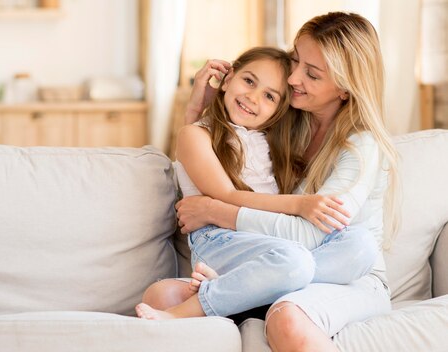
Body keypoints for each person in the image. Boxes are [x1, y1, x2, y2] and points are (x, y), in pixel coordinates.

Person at [142, 12, 398, 352]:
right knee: (161, 295)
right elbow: (207, 160)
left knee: (360, 245)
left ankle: (243, 287)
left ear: (346, 90)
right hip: (277, 258)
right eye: (295, 60)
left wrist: (215, 210)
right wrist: (195, 113)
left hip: (347, 275)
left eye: (312, 73)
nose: (292, 78)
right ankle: (247, 285)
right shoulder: (288, 124)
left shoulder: (360, 147)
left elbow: (311, 236)